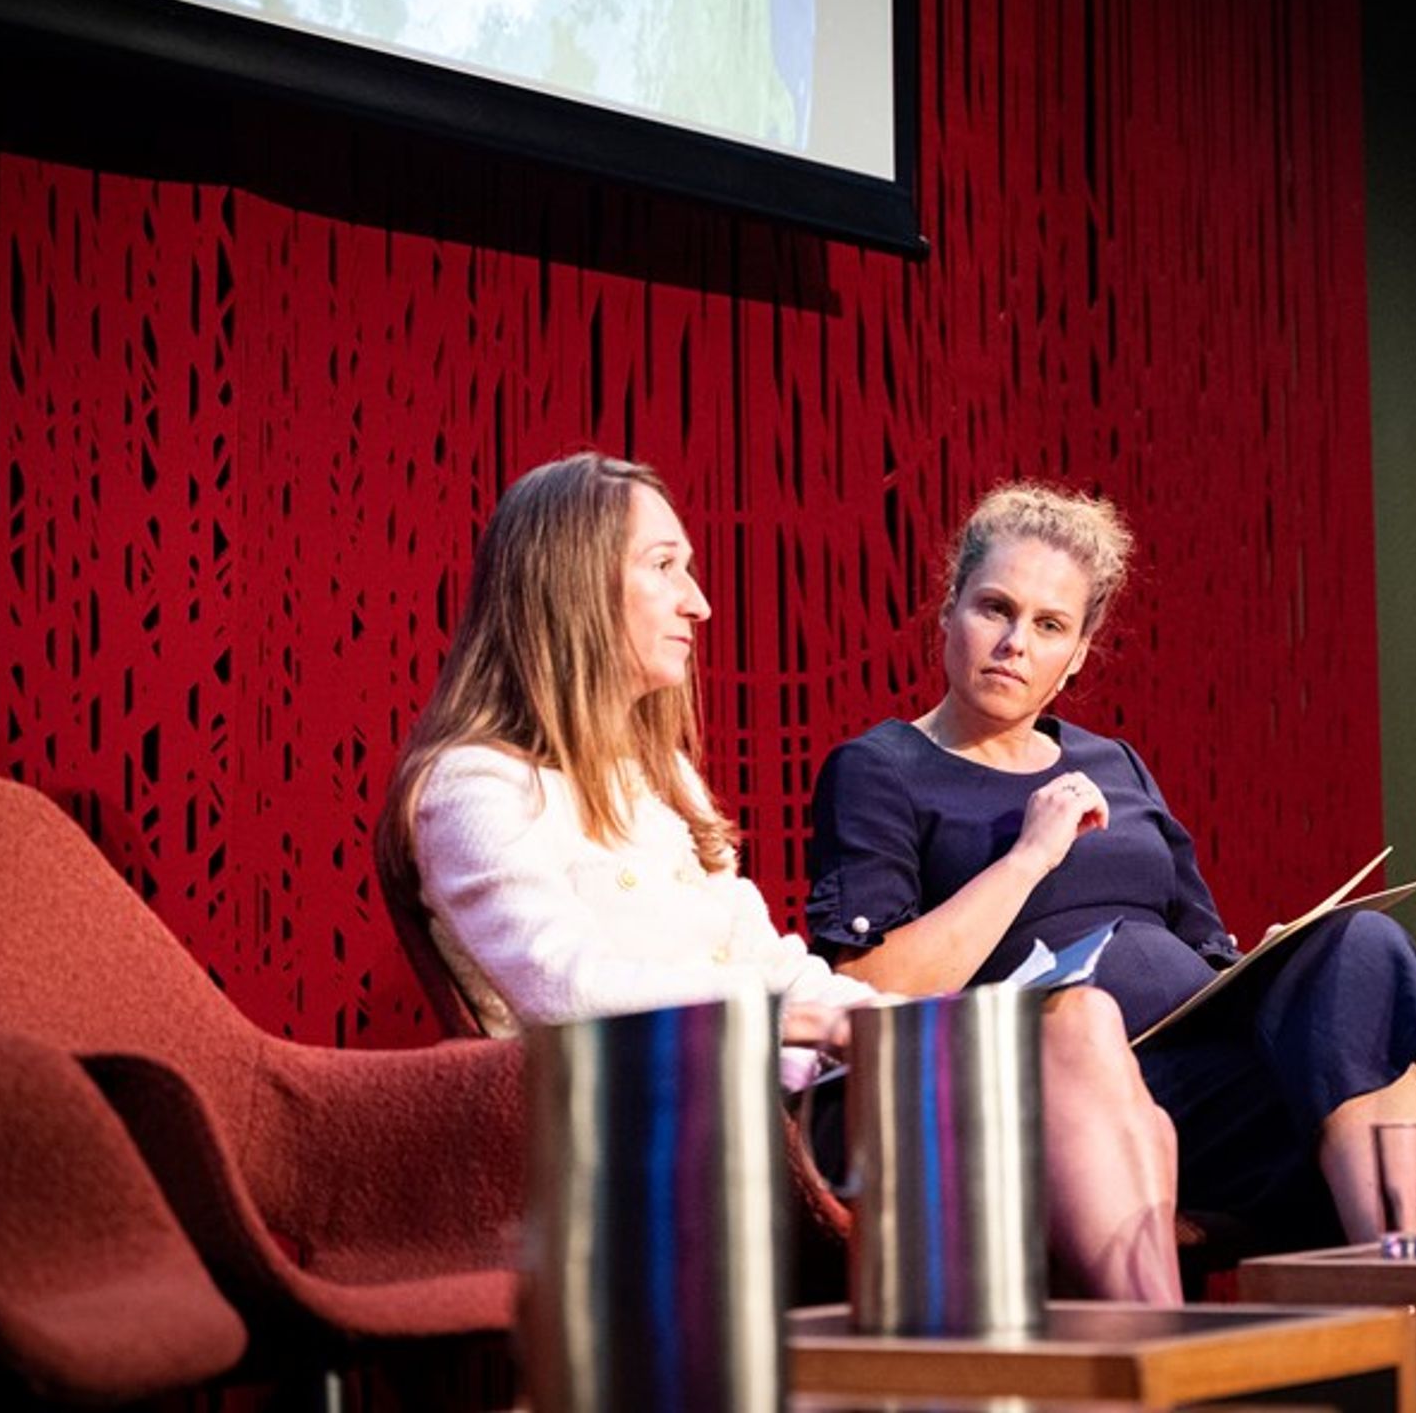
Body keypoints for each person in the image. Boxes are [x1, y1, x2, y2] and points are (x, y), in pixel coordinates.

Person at [375, 453, 1183, 1301]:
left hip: (794, 1098)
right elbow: (571, 990)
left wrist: (898, 1029)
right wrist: (801, 1021)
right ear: (572, 581)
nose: (701, 602)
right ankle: (1157, 1362)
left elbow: (770, 957)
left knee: (1087, 1031)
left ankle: (1152, 1358)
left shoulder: (664, 784)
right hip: (677, 1130)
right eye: (665, 567)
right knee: (1094, 1094)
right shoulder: (476, 786)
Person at [805, 482, 1416, 1250]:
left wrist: (1273, 960)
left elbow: (1205, 945)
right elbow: (871, 988)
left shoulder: (1112, 762)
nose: (1016, 642)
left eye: (1049, 625)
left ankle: (1396, 1272)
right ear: (949, 611)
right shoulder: (882, 768)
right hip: (1094, 1098)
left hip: (1219, 1067)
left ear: (1077, 654)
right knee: (1394, 1068)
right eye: (994, 608)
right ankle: (1409, 1284)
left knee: (1356, 948)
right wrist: (1030, 856)